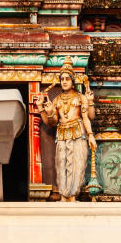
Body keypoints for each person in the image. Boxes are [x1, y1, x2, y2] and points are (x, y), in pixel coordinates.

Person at [35, 61, 97, 201]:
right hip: (62, 134)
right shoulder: (57, 100)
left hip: (78, 132)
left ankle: (73, 195)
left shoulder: (81, 98)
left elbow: (88, 118)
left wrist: (91, 136)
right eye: (62, 79)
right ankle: (63, 195)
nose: (64, 82)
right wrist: (43, 109)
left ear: (73, 81)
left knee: (77, 164)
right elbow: (51, 123)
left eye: (67, 79)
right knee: (61, 164)